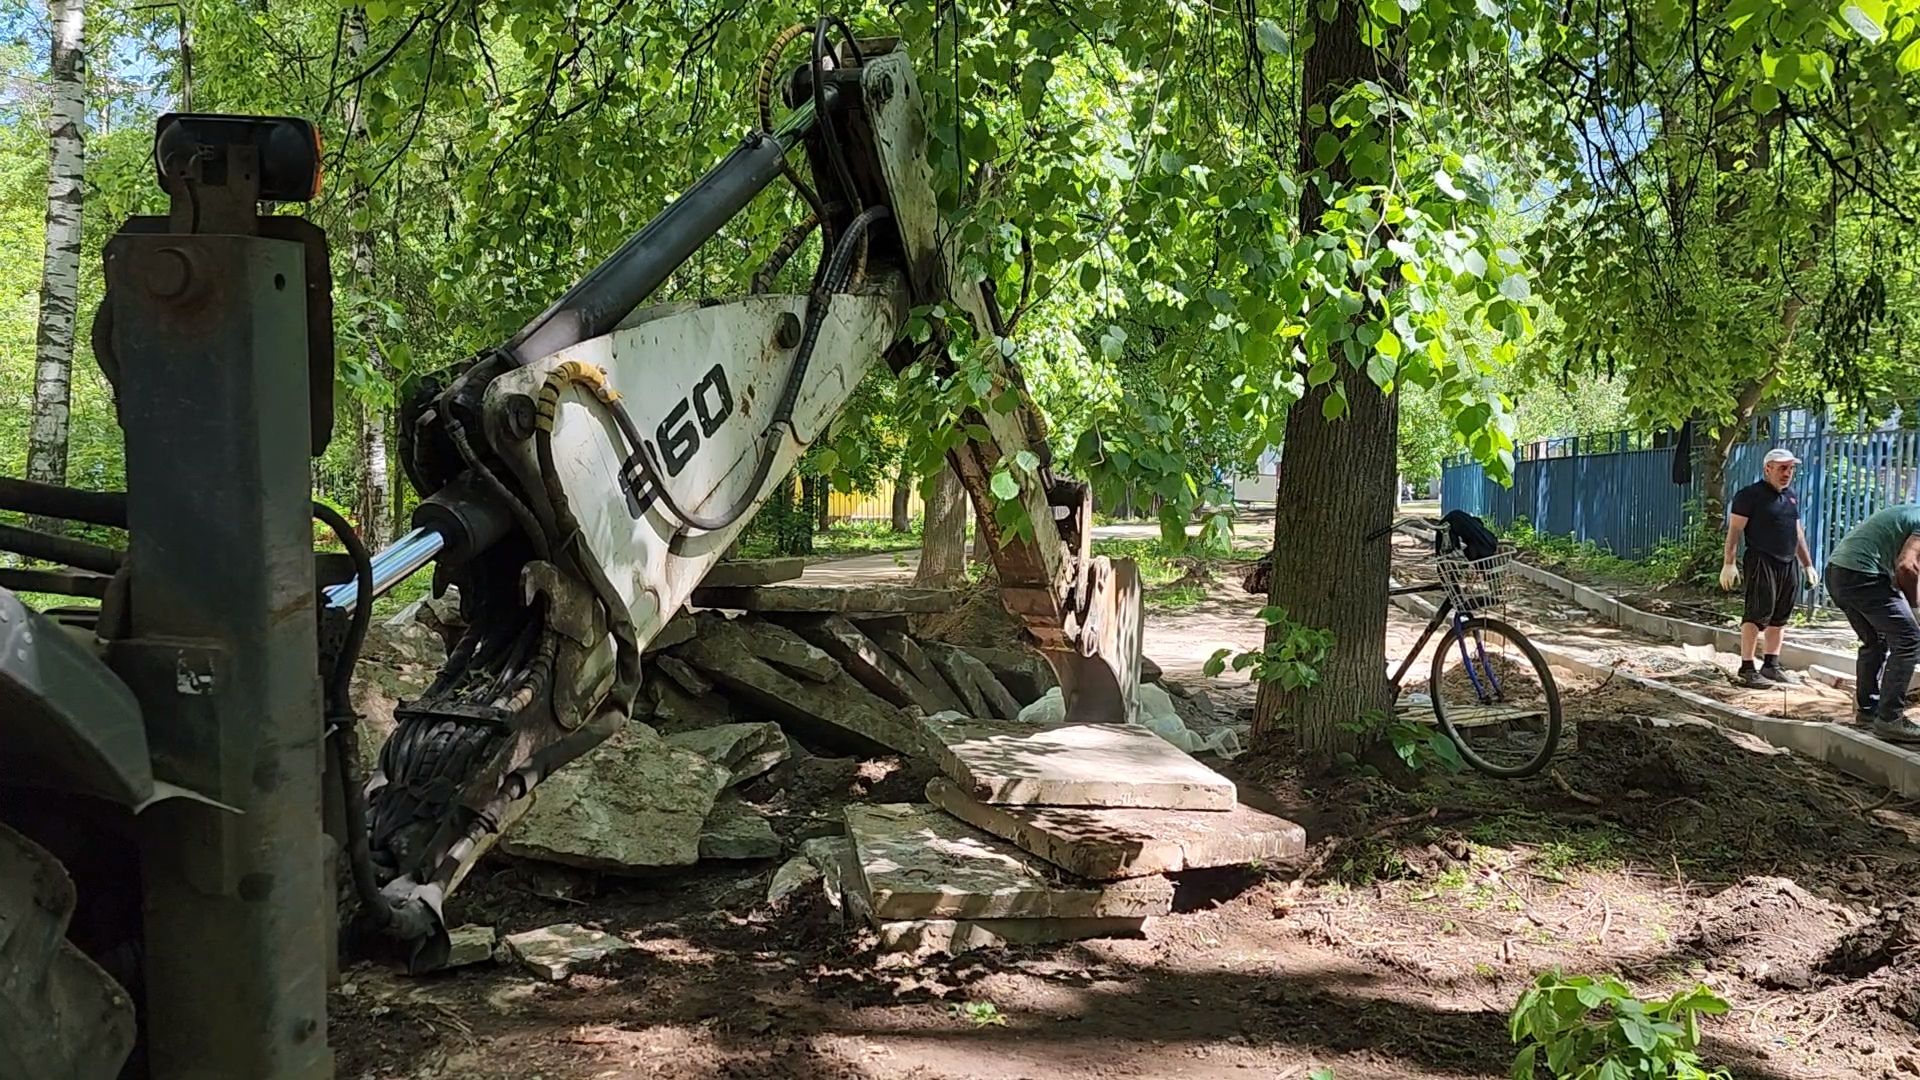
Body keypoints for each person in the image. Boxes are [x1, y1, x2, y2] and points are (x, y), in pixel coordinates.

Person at [1719, 448, 1816, 688]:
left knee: (1780, 615)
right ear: (1768, 468)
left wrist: (1807, 564)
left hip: (1787, 562)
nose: (1787, 473)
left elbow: (1797, 532)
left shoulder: (1791, 496)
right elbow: (1734, 532)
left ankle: (1771, 665)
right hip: (1762, 559)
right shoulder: (1749, 495)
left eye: (1791, 468)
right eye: (1782, 468)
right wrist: (1729, 563)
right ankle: (1747, 666)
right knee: (1756, 613)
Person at [1824, 503, 1920, 742]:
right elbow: (1906, 565)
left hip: (1838, 572)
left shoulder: (1911, 513)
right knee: (1909, 640)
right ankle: (1890, 719)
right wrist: (1915, 608)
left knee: (1875, 641)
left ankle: (1869, 711)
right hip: (1863, 576)